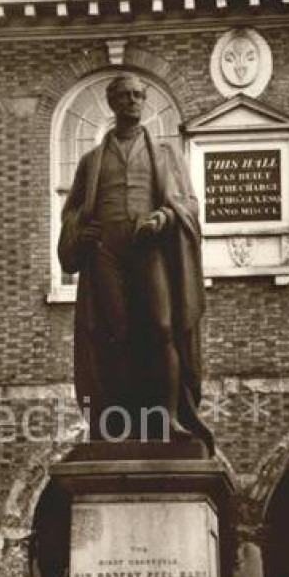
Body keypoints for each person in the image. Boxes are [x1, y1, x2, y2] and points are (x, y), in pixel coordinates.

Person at [58, 73, 213, 451]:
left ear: (144, 102)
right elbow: (72, 211)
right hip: (107, 252)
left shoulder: (165, 155)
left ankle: (169, 416)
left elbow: (189, 204)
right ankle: (119, 423)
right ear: (112, 103)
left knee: (162, 327)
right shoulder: (91, 161)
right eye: (124, 96)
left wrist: (164, 217)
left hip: (149, 248)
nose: (132, 101)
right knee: (116, 335)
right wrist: (81, 230)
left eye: (138, 95)